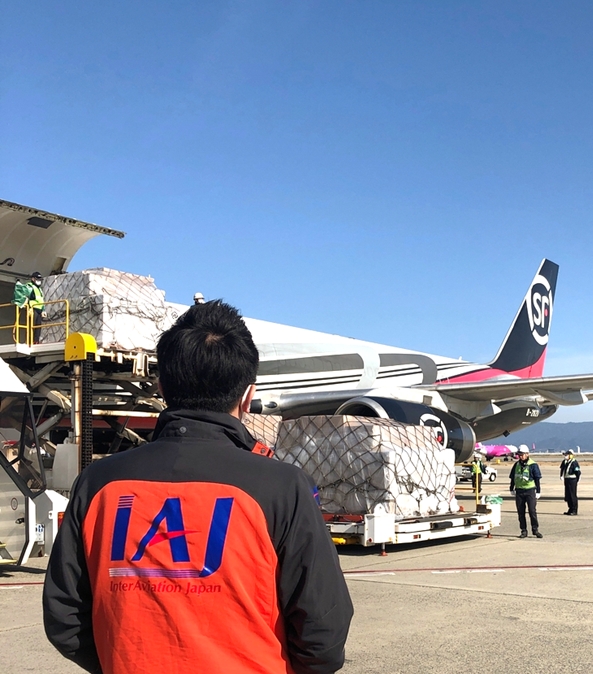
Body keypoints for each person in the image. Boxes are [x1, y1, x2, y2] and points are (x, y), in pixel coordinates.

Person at [43, 300, 353, 674]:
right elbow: (324, 633)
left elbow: (65, 618)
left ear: (161, 386)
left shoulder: (98, 484)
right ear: (248, 396)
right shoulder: (283, 487)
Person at [509, 444, 543, 539]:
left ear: (527, 454)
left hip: (530, 491)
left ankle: (535, 529)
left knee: (532, 511)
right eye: (519, 454)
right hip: (519, 491)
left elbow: (537, 479)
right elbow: (513, 477)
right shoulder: (516, 465)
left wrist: (538, 491)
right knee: (521, 512)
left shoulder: (533, 465)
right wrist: (511, 488)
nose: (520, 456)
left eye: (522, 454)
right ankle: (523, 530)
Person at [12, 272, 46, 344]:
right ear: (33, 279)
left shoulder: (39, 289)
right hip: (33, 309)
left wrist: (43, 310)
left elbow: (41, 300)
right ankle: (29, 341)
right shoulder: (30, 287)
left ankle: (36, 341)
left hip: (39, 310)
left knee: (38, 327)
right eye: (37, 279)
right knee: (31, 326)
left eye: (40, 280)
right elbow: (21, 292)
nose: (39, 281)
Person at [559, 449, 581, 515]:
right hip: (567, 479)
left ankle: (574, 510)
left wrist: (577, 480)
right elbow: (562, 469)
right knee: (567, 495)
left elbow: (578, 472)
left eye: (566, 455)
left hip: (572, 480)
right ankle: (570, 509)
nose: (565, 456)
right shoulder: (565, 462)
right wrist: (561, 476)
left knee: (572, 495)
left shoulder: (574, 462)